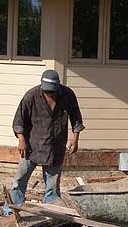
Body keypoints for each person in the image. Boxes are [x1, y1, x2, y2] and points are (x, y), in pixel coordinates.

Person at [7, 69, 85, 208]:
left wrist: (75, 138)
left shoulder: (67, 95)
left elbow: (76, 118)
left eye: (52, 91)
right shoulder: (31, 96)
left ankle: (52, 209)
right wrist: (21, 140)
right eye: (47, 91)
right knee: (20, 180)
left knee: (53, 185)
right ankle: (13, 208)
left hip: (56, 146)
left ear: (58, 87)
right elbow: (19, 121)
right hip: (31, 146)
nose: (50, 94)